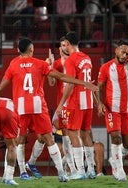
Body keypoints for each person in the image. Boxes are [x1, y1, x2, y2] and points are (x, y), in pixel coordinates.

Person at [0, 37, 98, 182]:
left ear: (18, 50)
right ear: (31, 50)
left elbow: (0, 86)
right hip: (38, 106)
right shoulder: (40, 64)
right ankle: (61, 173)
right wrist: (84, 83)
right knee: (49, 139)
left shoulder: (13, 64)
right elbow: (61, 77)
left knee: (17, 141)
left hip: (21, 106)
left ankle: (15, 173)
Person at [97, 40, 128, 181]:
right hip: (112, 108)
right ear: (116, 51)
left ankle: (114, 159)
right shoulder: (106, 67)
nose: (125, 55)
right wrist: (100, 103)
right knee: (116, 137)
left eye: (127, 53)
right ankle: (119, 169)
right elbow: (99, 87)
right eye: (123, 52)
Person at [55, 31, 96, 180]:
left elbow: (70, 83)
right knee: (85, 134)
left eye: (65, 44)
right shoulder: (87, 58)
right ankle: (91, 169)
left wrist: (60, 104)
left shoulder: (72, 59)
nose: (64, 47)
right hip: (88, 101)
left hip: (76, 101)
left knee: (73, 133)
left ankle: (80, 170)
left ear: (69, 44)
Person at [47, 37, 78, 177]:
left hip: (77, 104)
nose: (63, 47)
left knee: (81, 136)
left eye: (66, 44)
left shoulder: (76, 61)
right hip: (64, 105)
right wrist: (50, 66)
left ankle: (70, 166)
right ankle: (73, 168)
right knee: (66, 137)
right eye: (61, 45)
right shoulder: (58, 64)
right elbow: (52, 82)